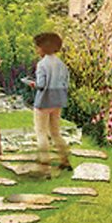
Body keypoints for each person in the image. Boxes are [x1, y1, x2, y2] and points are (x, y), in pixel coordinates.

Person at [23, 32, 71, 171]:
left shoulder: (42, 64)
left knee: (41, 133)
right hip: (58, 101)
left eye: (37, 47)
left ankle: (45, 166)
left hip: (44, 102)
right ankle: (65, 160)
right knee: (56, 133)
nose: (36, 50)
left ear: (43, 48)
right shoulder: (61, 64)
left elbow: (41, 85)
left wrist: (32, 84)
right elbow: (65, 83)